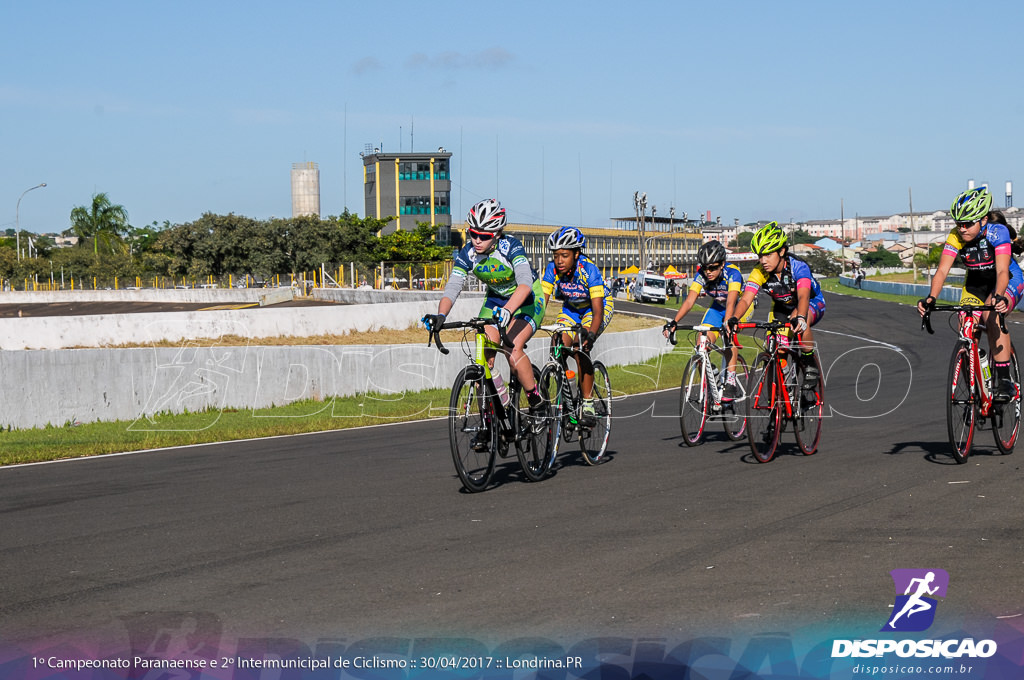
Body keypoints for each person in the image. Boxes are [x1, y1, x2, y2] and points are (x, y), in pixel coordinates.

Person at [422, 199, 547, 449]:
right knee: (483, 362)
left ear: (497, 234)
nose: (476, 240)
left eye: (483, 236)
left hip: (526, 299)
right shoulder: (468, 253)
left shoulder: (511, 247)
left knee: (512, 348)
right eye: (472, 234)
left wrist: (509, 311)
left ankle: (537, 402)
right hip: (496, 300)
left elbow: (523, 284)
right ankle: (489, 424)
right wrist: (441, 316)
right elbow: (453, 287)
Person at [917, 186, 1023, 402]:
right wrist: (931, 298)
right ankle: (974, 391)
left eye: (967, 224)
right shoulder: (956, 236)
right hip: (975, 284)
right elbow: (942, 271)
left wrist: (1000, 297)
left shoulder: (997, 232)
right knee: (964, 326)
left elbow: (1003, 271)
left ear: (983, 220)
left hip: (1006, 281)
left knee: (990, 316)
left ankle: (1004, 379)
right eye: (958, 224)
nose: (962, 229)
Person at [728, 222, 826, 401]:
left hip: (810, 302)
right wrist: (734, 318)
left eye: (767, 255)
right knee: (775, 349)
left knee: (800, 319)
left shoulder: (798, 266)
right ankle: (784, 395)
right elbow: (746, 299)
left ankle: (809, 361)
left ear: (781, 251)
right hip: (781, 307)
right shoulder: (759, 271)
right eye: (760, 255)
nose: (763, 260)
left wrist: (801, 317)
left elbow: (804, 297)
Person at [540, 226, 614, 422]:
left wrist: (591, 334)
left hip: (595, 308)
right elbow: (542, 301)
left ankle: (588, 404)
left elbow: (598, 311)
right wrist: (531, 321)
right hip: (572, 308)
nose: (559, 260)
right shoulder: (552, 269)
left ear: (576, 253)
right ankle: (570, 387)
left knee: (580, 346)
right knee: (558, 344)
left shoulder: (589, 269)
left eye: (564, 255)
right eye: (556, 255)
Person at [663, 240, 750, 400]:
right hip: (717, 307)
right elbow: (689, 301)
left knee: (729, 336)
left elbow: (731, 302)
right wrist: (674, 322)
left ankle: (731, 381)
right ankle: (713, 376)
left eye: (713, 267)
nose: (708, 271)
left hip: (738, 306)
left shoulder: (733, 273)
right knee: (701, 344)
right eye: (705, 267)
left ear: (722, 264)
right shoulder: (701, 276)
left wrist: (729, 322)